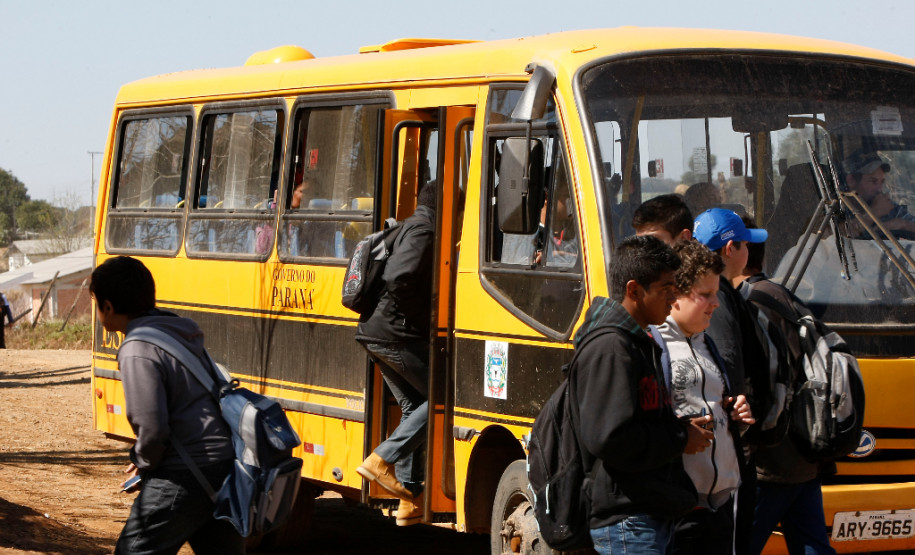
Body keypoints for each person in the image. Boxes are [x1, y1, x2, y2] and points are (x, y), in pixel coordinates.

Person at [89, 256, 243, 555]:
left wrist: (144, 460)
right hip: (222, 464)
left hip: (185, 473)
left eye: (95, 304)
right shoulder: (176, 330)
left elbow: (152, 426)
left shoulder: (137, 348)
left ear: (107, 306)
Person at [573, 234, 713, 554]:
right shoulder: (611, 347)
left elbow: (639, 419)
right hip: (627, 520)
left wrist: (681, 428)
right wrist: (680, 438)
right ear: (634, 290)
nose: (674, 298)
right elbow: (610, 437)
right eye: (666, 288)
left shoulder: (638, 341)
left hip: (648, 514)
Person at [736, 222, 838, 555]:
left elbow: (763, 383)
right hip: (802, 454)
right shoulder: (783, 296)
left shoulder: (750, 303)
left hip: (770, 461)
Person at [652, 240, 756, 554]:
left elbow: (719, 416)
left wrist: (737, 417)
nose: (716, 303)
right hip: (674, 512)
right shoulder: (653, 346)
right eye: (706, 294)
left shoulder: (707, 344)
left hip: (719, 508)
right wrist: (680, 435)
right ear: (676, 295)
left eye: (716, 293)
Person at [355, 183, 437, 527]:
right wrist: (421, 319)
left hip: (376, 331)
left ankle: (408, 498)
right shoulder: (425, 230)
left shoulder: (406, 226)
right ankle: (380, 459)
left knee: (414, 405)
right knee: (442, 399)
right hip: (395, 334)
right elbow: (399, 276)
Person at [693, 207, 769, 555]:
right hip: (730, 449)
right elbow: (730, 369)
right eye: (745, 245)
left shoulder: (723, 292)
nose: (749, 252)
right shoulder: (719, 298)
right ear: (729, 249)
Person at [843, 151, 915, 237]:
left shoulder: (888, 208)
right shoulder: (838, 207)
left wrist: (904, 225)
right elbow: (836, 237)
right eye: (873, 181)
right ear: (851, 180)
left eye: (882, 182)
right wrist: (873, 213)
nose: (879, 189)